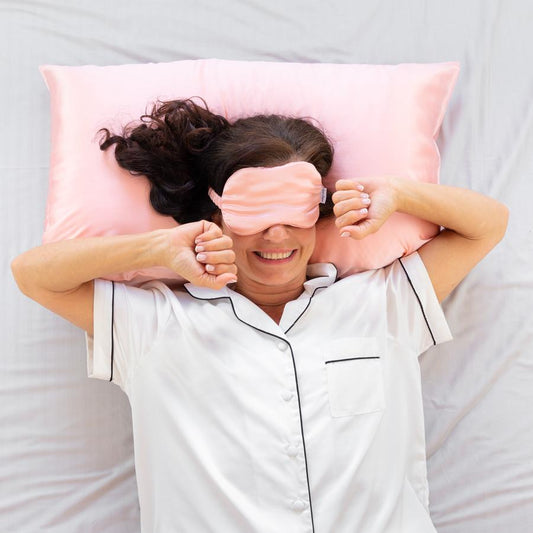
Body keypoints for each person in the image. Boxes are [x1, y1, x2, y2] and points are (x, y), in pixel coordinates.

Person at [11, 98, 508, 533]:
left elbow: (487, 226)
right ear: (216, 215)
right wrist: (159, 247)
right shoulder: (156, 327)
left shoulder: (380, 306)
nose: (276, 236)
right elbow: (33, 275)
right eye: (254, 215)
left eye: (294, 212)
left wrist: (400, 194)